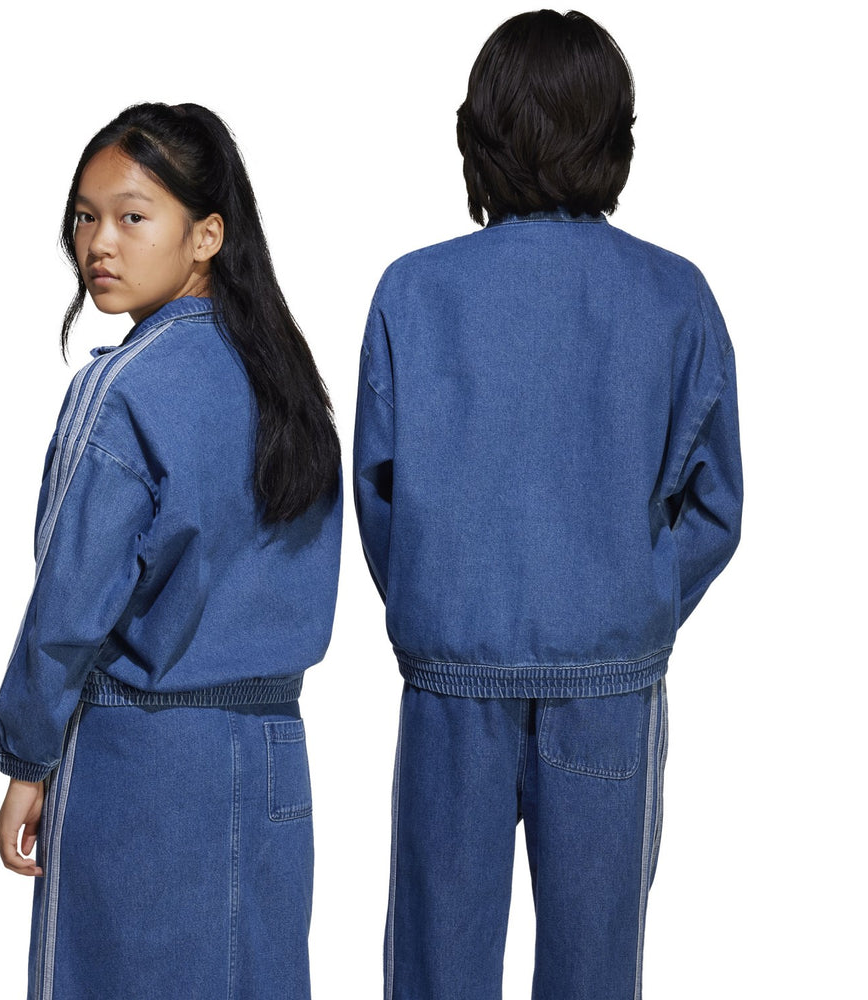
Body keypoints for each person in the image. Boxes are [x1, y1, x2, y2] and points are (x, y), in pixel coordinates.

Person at [354, 11, 742, 1000]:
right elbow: (715, 505)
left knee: (436, 969)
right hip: (607, 682)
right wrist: (636, 598)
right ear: (614, 134)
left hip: (453, 673)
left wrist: (438, 600)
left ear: (476, 132)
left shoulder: (414, 290)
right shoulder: (673, 295)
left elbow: (377, 492)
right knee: (596, 971)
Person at [0, 102, 341, 1000]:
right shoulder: (288, 383)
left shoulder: (124, 388)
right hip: (273, 760)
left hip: (142, 766)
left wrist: (27, 759)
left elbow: (69, 605)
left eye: (132, 216)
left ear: (206, 236)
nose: (99, 243)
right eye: (85, 216)